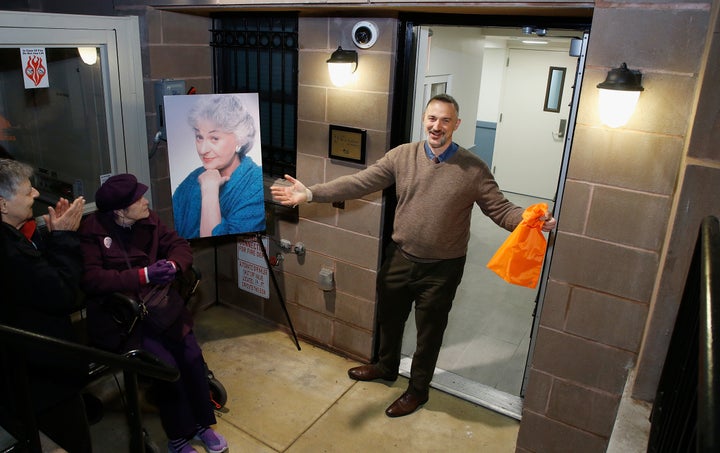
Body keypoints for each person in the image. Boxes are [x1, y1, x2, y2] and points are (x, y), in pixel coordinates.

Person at [271, 94, 557, 418]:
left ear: (456, 125)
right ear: (424, 119)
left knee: (429, 333)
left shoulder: (473, 169)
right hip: (400, 258)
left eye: (445, 120)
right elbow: (359, 182)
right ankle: (386, 367)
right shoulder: (402, 156)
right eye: (432, 118)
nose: (437, 126)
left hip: (442, 269)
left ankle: (418, 391)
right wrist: (311, 193)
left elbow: (500, 209)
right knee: (389, 321)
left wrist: (530, 219)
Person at [79, 174, 228, 453]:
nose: (145, 201)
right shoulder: (93, 231)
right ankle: (178, 438)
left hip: (161, 308)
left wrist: (174, 264)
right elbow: (93, 280)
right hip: (126, 318)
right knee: (167, 368)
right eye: (137, 199)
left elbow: (180, 245)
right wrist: (144, 274)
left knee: (193, 358)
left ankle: (200, 425)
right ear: (120, 211)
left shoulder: (148, 220)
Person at [0, 158, 91, 451]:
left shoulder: (12, 239)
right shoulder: (9, 251)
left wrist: (54, 239)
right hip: (41, 378)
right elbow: (61, 294)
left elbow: (38, 282)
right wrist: (64, 238)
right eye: (28, 192)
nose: (36, 195)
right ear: (3, 205)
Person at [172, 94, 265, 239]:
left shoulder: (257, 185)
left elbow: (218, 245)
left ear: (240, 138)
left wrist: (209, 191)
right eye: (199, 137)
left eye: (214, 138)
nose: (203, 150)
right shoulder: (191, 181)